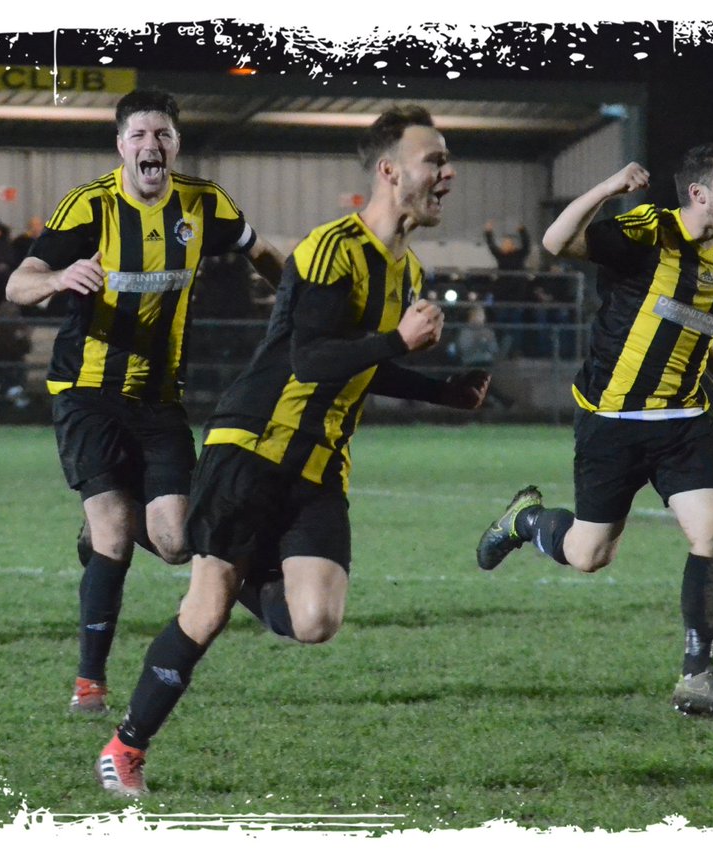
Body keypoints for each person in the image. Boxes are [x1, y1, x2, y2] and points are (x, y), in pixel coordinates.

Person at [94, 104, 490, 798]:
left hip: (320, 465)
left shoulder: (406, 271)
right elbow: (310, 358)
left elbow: (360, 364)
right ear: (389, 171)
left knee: (315, 620)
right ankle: (124, 748)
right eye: (435, 160)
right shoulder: (332, 248)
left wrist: (442, 391)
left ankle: (219, 554)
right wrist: (397, 341)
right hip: (254, 445)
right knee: (207, 609)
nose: (447, 173)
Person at [5, 89, 285, 718]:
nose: (150, 145)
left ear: (176, 145)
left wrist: (299, 302)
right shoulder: (90, 206)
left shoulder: (205, 204)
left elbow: (263, 253)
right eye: (138, 135)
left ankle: (106, 513)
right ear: (120, 145)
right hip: (86, 390)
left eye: (162, 135)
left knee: (178, 540)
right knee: (113, 536)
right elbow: (18, 283)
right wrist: (58, 278)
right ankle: (90, 684)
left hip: (159, 397)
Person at [475, 141, 713, 719]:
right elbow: (557, 242)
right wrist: (608, 189)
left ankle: (697, 677)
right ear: (699, 192)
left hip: (683, 421)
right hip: (613, 420)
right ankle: (526, 520)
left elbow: (695, 324)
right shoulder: (651, 231)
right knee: (589, 555)